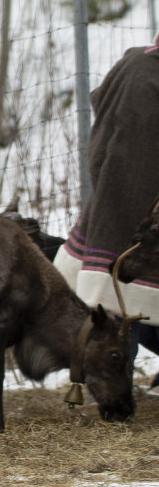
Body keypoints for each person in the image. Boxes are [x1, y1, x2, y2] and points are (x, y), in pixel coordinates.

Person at [55, 40, 159, 384]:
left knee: (117, 296)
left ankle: (117, 382)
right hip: (141, 204)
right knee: (131, 293)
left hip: (111, 196)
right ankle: (116, 384)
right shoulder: (149, 78)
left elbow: (100, 98)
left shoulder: (136, 60)